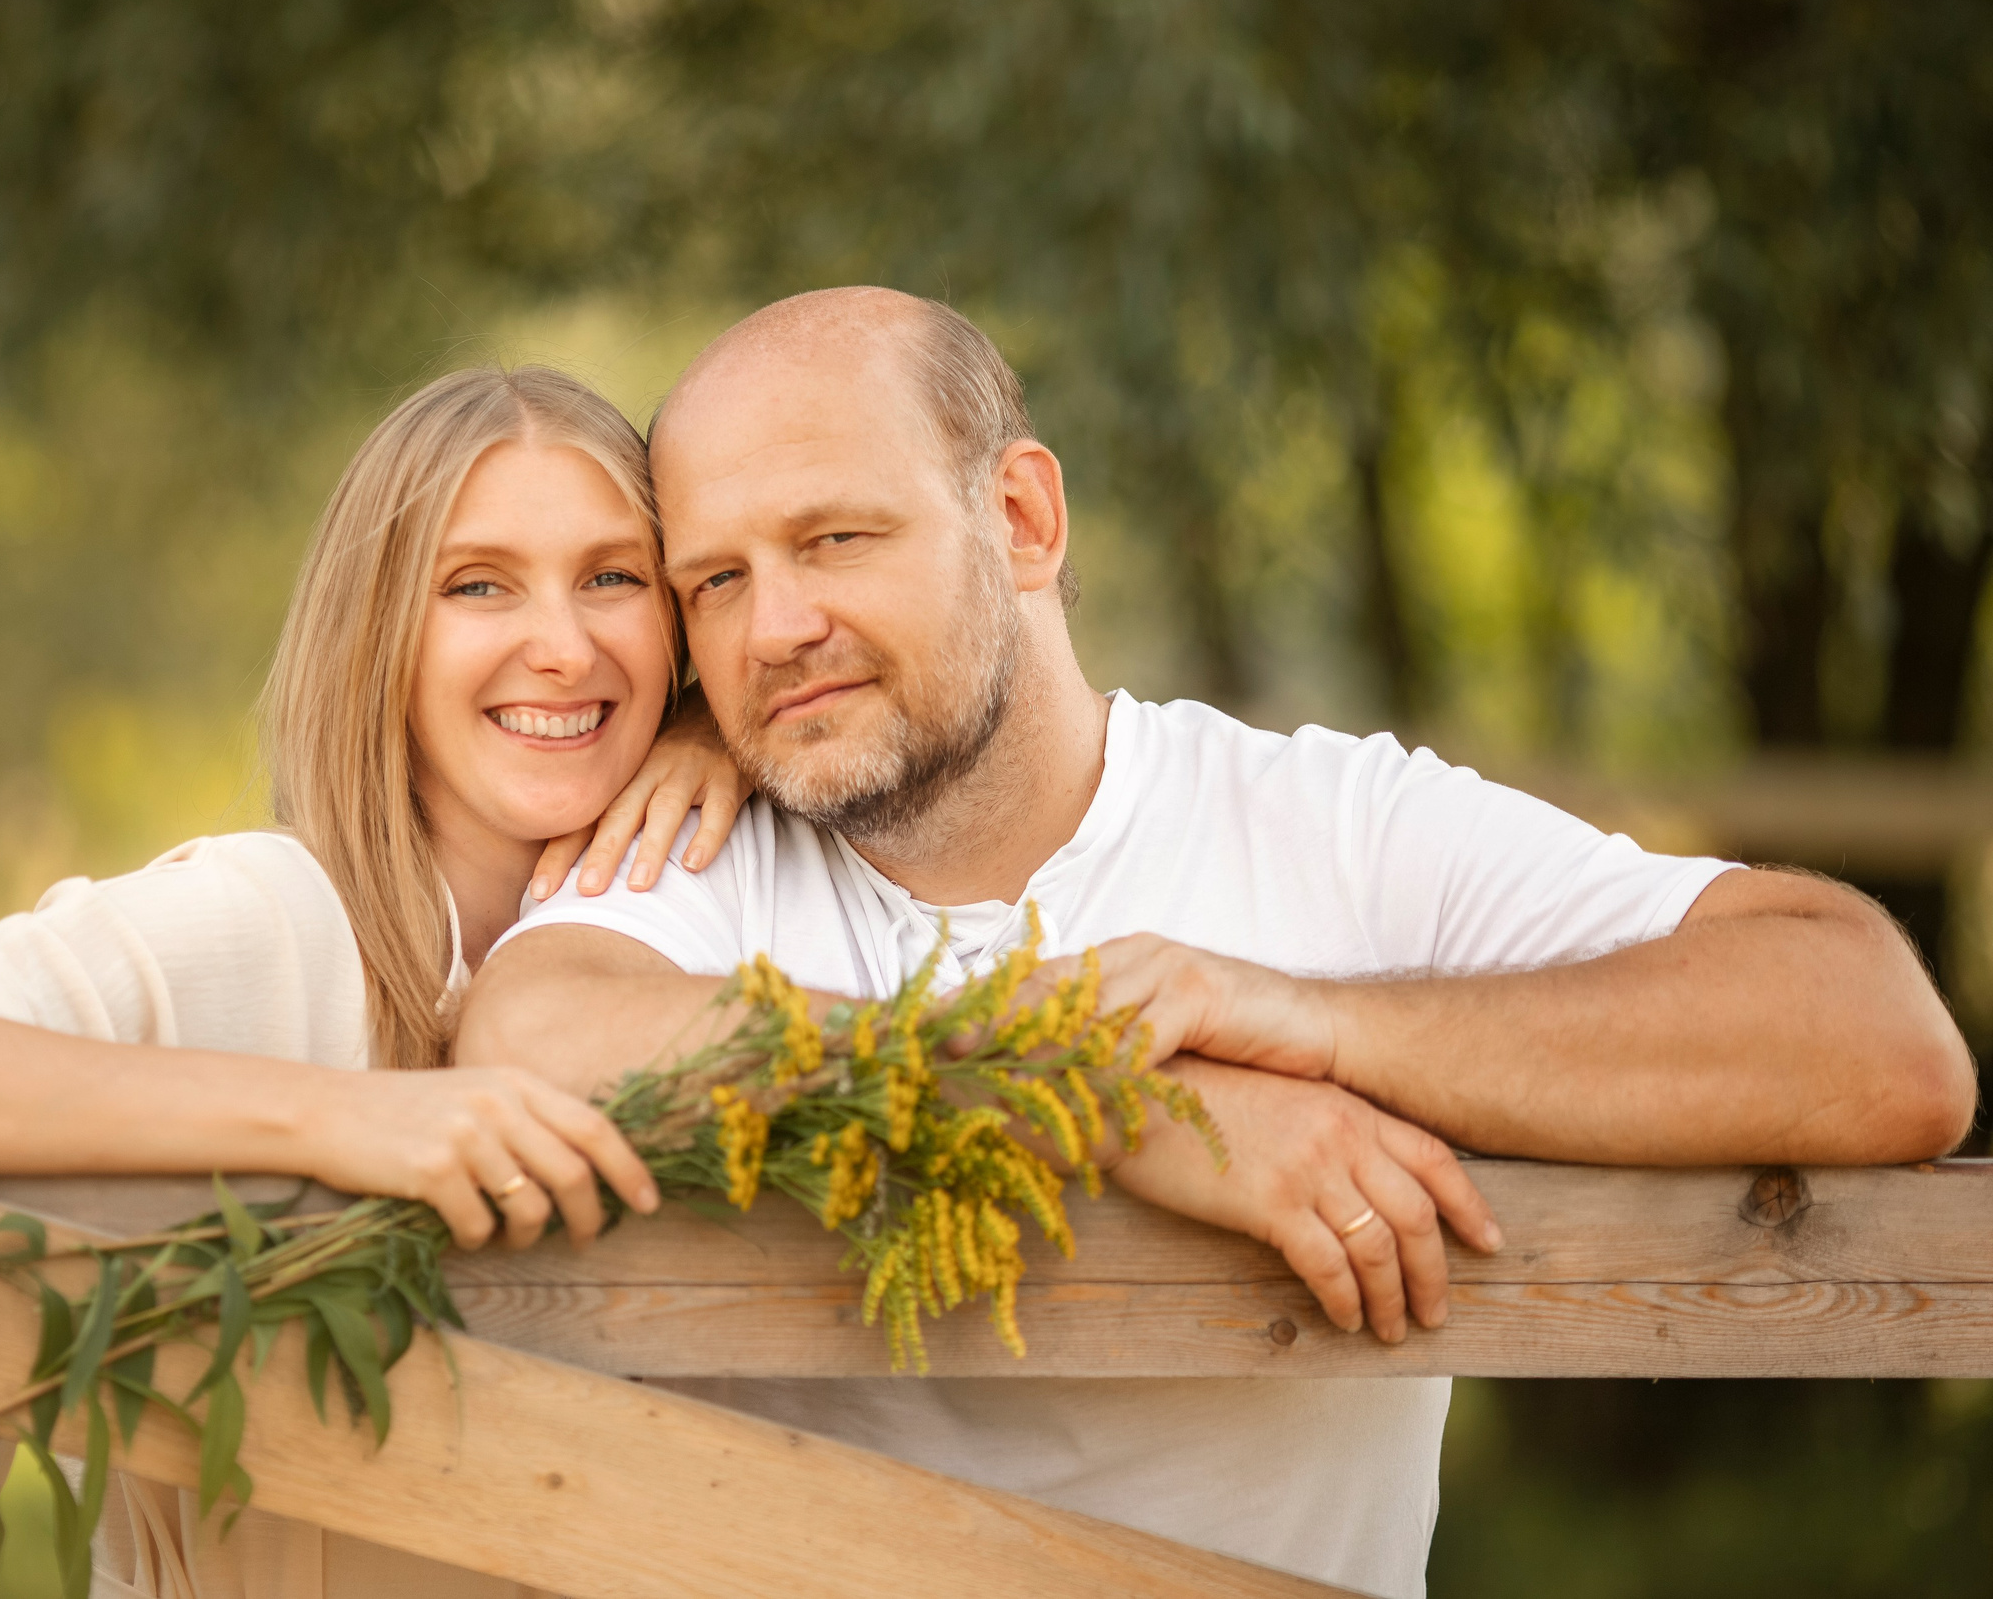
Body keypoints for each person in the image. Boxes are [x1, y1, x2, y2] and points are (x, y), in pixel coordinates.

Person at [456, 289, 1979, 1598]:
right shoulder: (693, 849)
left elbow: (1873, 1038)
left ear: (1022, 519)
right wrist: (1100, 1094)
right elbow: (536, 1035)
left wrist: (1302, 1022)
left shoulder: (1328, 822)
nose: (772, 624)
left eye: (835, 536)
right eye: (715, 578)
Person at [0, 364, 747, 1598]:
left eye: (612, 577)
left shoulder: (729, 917)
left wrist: (713, 730)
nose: (562, 648)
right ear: (378, 637)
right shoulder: (285, 921)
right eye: (477, 585)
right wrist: (343, 1118)